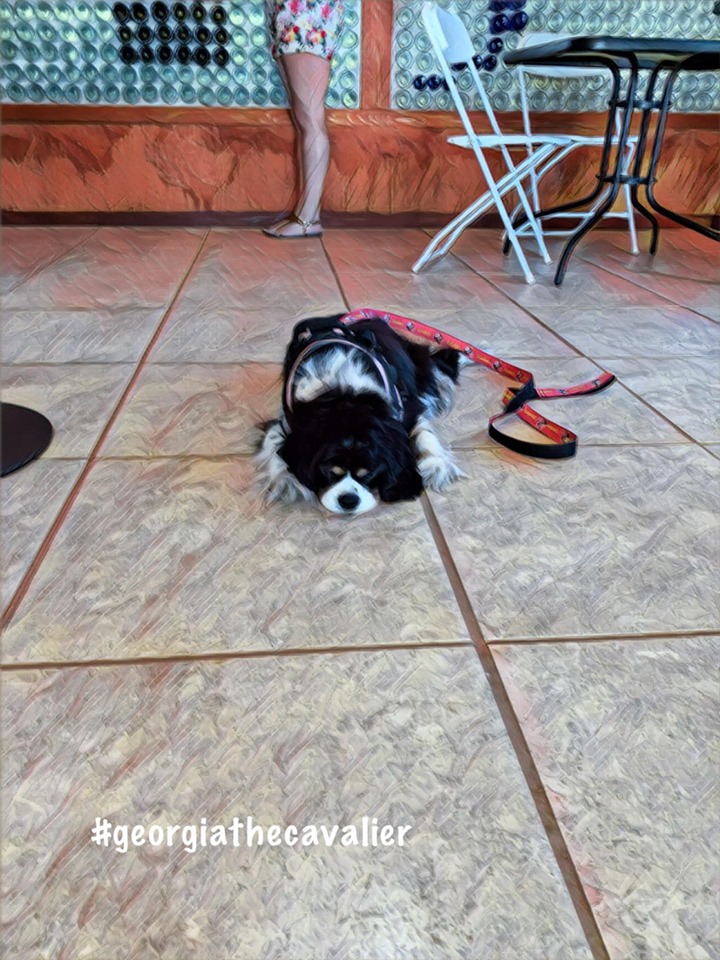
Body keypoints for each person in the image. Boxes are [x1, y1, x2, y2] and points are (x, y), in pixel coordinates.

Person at [263, 0, 345, 238]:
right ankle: (307, 213)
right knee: (304, 122)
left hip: (305, 13)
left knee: (310, 121)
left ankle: (307, 219)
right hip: (288, 13)